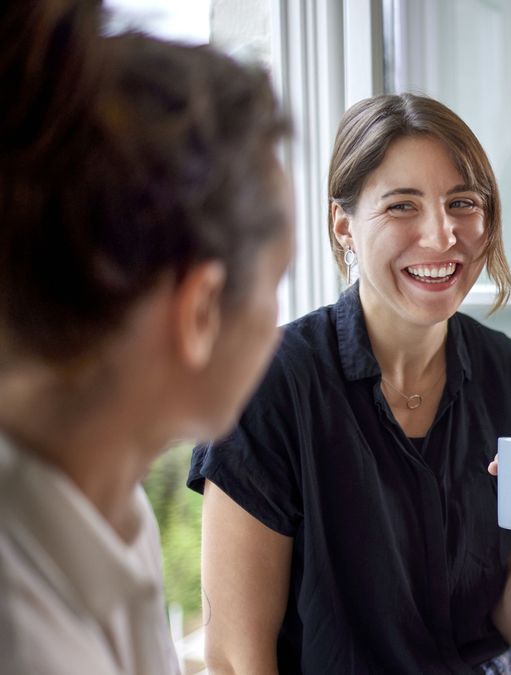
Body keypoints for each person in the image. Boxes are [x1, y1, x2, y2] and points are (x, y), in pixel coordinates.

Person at [189, 93, 511, 674]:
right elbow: (235, 660)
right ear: (343, 224)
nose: (442, 237)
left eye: (462, 203)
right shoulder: (267, 385)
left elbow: (503, 622)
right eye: (401, 206)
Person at [0, 3, 294, 673]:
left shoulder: (110, 508)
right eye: (276, 279)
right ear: (200, 311)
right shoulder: (24, 640)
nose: (277, 329)